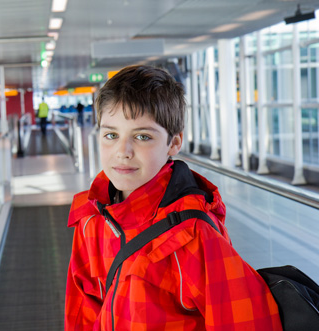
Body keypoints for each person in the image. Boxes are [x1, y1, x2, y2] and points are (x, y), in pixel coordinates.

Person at [65, 65, 282, 330]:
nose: (123, 151)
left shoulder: (193, 235)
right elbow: (83, 312)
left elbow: (247, 322)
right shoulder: (91, 220)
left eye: (143, 136)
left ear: (174, 143)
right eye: (111, 135)